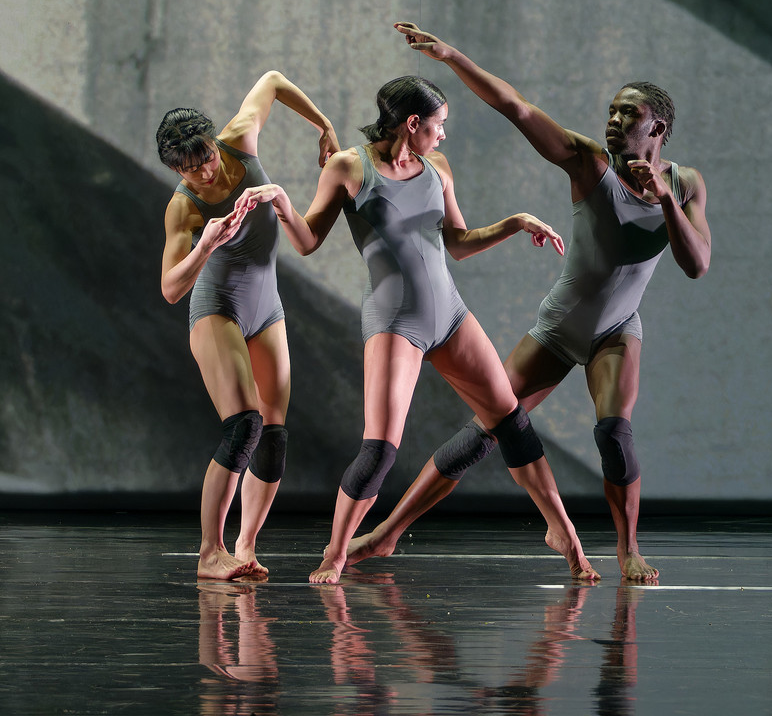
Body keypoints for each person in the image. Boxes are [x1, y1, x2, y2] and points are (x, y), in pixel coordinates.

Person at [343, 23, 712, 582]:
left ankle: (628, 549)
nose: (612, 121)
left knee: (615, 432)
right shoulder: (589, 162)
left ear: (657, 127)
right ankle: (389, 532)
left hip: (618, 330)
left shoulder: (685, 185)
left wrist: (666, 202)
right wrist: (452, 56)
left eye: (626, 114)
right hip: (561, 326)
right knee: (484, 433)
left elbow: (697, 263)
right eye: (610, 111)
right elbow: (516, 108)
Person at [236, 74, 600, 585]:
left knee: (510, 420)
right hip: (394, 321)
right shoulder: (349, 167)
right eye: (439, 124)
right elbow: (306, 241)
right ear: (413, 123)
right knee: (380, 450)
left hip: (449, 314)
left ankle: (563, 533)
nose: (444, 134)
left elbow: (458, 241)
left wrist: (516, 222)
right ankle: (336, 555)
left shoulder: (438, 167)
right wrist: (281, 204)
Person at [157, 70, 339, 580]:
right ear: (178, 172)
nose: (206, 174)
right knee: (244, 426)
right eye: (191, 171)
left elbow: (274, 81)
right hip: (218, 309)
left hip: (267, 309)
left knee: (274, 436)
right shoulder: (183, 207)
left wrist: (322, 125)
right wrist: (207, 243)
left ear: (217, 143)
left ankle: (245, 545)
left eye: (207, 159)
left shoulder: (239, 139)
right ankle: (209, 552)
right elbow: (171, 289)